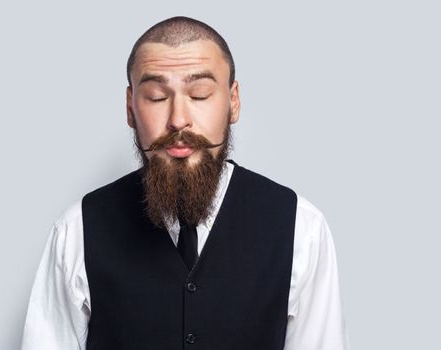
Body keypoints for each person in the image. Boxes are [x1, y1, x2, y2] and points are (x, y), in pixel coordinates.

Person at [21, 16, 349, 350]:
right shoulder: (77, 229)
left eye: (201, 94)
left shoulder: (301, 227)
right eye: (156, 97)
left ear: (233, 101)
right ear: (130, 108)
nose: (178, 119)